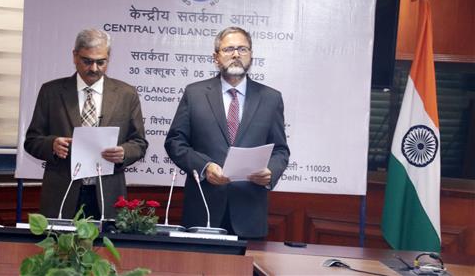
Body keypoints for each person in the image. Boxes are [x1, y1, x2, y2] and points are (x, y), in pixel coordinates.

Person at [165, 26, 289, 238]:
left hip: (249, 212)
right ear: (216, 57)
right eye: (229, 49)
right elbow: (175, 142)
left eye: (242, 49)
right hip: (203, 209)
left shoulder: (270, 98)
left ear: (251, 55)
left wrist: (270, 172)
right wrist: (204, 167)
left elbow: (280, 150)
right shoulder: (195, 93)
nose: (236, 54)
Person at [25, 29, 148, 219]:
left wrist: (124, 152)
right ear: (75, 56)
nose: (94, 68)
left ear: (109, 58)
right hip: (62, 192)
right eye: (87, 61)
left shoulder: (126, 94)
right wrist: (52, 144)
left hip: (108, 194)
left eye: (101, 62)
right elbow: (32, 140)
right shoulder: (51, 92)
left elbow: (139, 143)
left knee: (106, 249)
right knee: (60, 248)